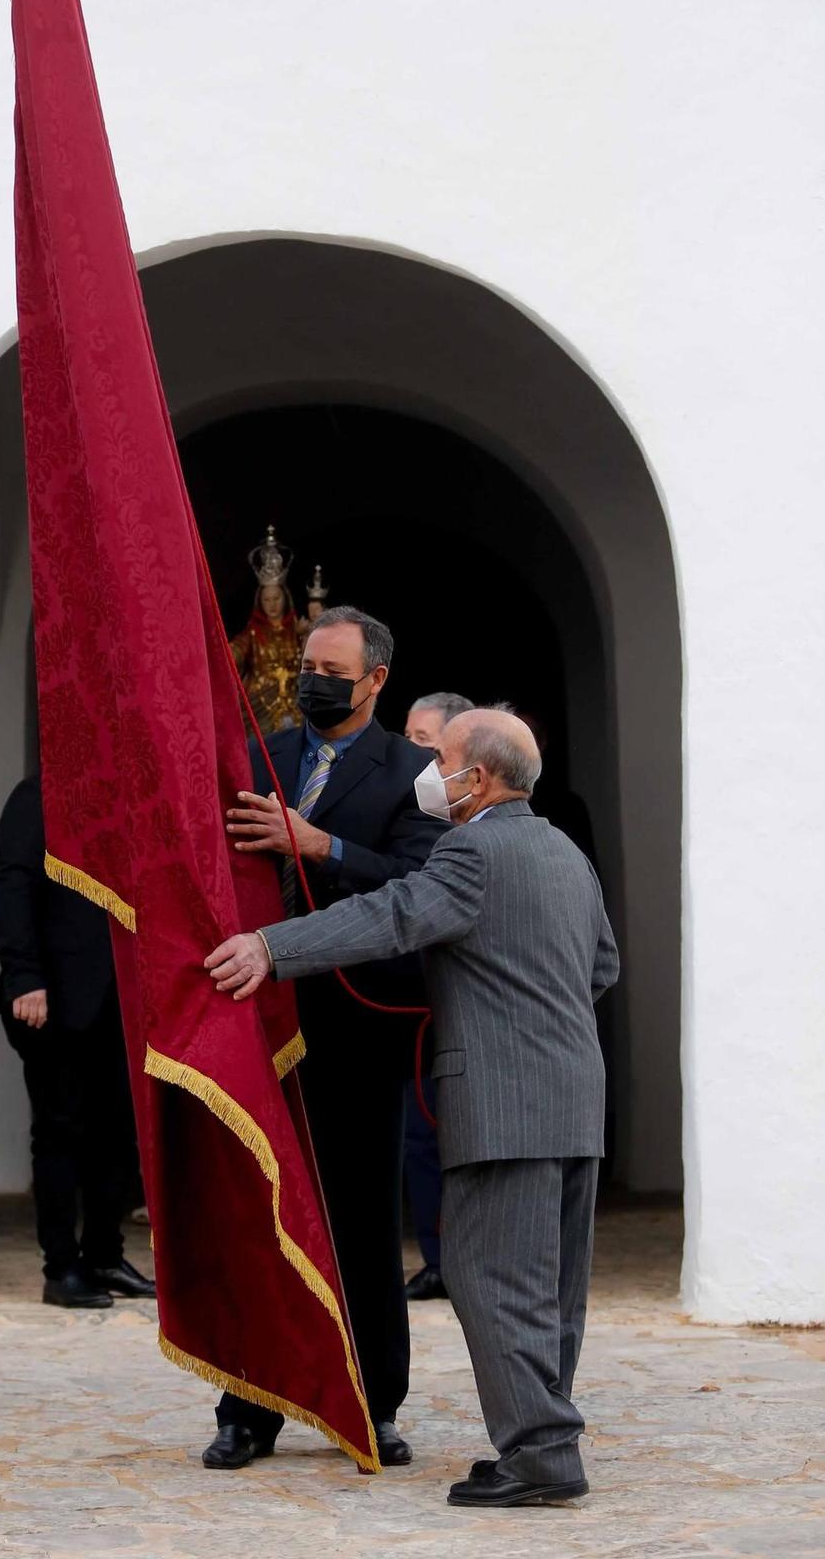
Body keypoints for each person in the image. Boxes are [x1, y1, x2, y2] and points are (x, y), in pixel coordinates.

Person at [207, 709, 620, 1508]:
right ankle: (546, 1440)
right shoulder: (563, 849)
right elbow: (600, 964)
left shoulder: (471, 848)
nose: (429, 770)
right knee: (551, 1289)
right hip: (572, 1095)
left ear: (481, 778)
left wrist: (270, 946)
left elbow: (390, 915)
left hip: (501, 1102)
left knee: (491, 1279)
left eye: (445, 758)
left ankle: (538, 1455)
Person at [203, 606, 443, 1472]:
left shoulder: (414, 772)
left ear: (374, 679)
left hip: (355, 1027)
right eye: (308, 663)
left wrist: (319, 843)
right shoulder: (260, 753)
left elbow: (422, 887)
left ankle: (371, 1402)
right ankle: (248, 1407)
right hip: (255, 1022)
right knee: (254, 1216)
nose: (313, 679)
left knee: (359, 1221)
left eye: (331, 668)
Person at [0, 774, 155, 1309]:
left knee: (118, 1133)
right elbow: (11, 885)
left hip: (123, 999)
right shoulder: (38, 795)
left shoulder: (133, 793)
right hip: (51, 998)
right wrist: (23, 976)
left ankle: (105, 1255)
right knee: (60, 1133)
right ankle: (60, 1268)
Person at [401, 691, 474, 1303]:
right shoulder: (407, 812)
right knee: (420, 1136)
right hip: (413, 1005)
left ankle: (471, 1262)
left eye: (425, 743)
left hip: (469, 1015)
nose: (411, 754)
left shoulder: (482, 831)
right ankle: (437, 1257)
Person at [228, 527, 308, 733]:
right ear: (260, 602)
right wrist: (229, 652)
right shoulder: (253, 633)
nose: (272, 605)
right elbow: (237, 650)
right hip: (262, 703)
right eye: (267, 600)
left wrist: (306, 636)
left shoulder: (296, 629)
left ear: (285, 597)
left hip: (293, 700)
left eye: (276, 599)